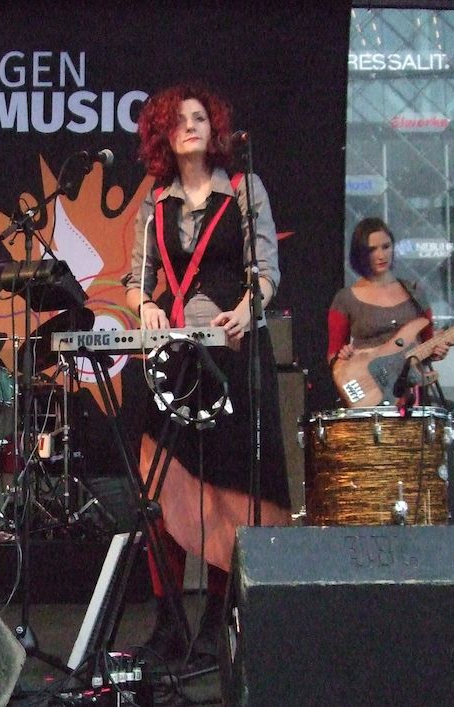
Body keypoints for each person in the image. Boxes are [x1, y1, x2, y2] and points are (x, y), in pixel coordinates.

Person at [122, 82, 291, 662]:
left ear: (214, 128)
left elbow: (265, 271)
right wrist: (145, 305)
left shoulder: (244, 189)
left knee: (227, 487)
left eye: (199, 117)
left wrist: (248, 307)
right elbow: (136, 280)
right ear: (163, 136)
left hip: (234, 351)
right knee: (163, 485)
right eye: (178, 120)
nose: (190, 126)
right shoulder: (155, 202)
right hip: (173, 356)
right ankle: (170, 625)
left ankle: (220, 623)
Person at [328, 216, 450, 402]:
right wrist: (342, 357)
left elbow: (427, 342)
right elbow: (333, 354)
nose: (381, 255)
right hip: (369, 395)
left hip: (412, 397)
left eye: (386, 247)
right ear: (360, 254)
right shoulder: (345, 298)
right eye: (372, 249)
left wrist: (436, 351)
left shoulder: (414, 292)